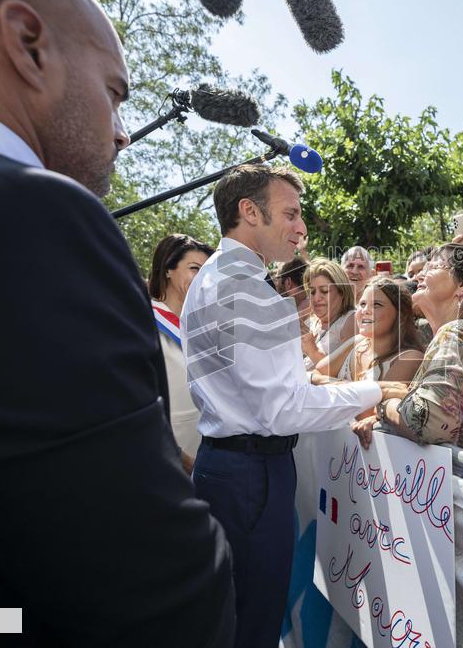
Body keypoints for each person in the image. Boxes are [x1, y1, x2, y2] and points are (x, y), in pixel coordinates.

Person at [0, 0, 234, 644]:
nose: (121, 133)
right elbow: (159, 598)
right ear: (29, 45)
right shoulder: (16, 214)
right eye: (115, 93)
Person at [181, 163, 408, 647]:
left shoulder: (215, 276)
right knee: (254, 623)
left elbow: (266, 386)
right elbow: (283, 409)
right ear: (249, 211)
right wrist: (376, 391)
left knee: (235, 617)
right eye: (291, 213)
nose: (302, 228)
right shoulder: (245, 288)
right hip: (251, 476)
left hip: (229, 467)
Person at [353, 244, 463, 474]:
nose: (420, 275)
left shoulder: (455, 334)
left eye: (433, 266)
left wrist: (384, 406)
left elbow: (426, 423)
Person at [148, 233, 215, 471]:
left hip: (209, 457)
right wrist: (180, 459)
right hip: (166, 460)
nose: (203, 278)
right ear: (168, 269)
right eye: (194, 268)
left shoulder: (204, 327)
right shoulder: (143, 321)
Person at [313, 277, 425, 392]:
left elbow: (378, 402)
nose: (365, 310)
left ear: (400, 315)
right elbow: (314, 374)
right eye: (362, 304)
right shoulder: (357, 341)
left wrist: (329, 384)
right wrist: (346, 385)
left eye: (376, 305)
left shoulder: (410, 357)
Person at [301, 258, 357, 369]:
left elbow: (345, 372)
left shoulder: (352, 320)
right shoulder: (310, 322)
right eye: (312, 292)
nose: (316, 298)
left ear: (342, 292)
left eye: (324, 291)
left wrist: (313, 351)